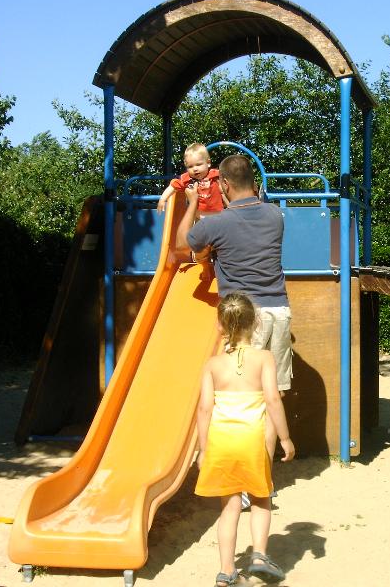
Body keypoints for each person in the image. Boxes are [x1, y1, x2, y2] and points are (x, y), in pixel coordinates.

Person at [176, 154, 293, 463]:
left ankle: (244, 470)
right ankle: (263, 471)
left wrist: (192, 203)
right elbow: (252, 219)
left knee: (244, 397)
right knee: (273, 394)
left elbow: (182, 244)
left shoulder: (217, 224)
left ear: (224, 184)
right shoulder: (275, 215)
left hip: (245, 317)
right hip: (279, 310)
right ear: (253, 183)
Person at [194, 292, 295, 587]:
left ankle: (226, 571)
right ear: (257, 323)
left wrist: (203, 449)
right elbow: (273, 399)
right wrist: (285, 438)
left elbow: (204, 409)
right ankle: (259, 556)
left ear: (220, 326)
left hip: (221, 442)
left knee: (229, 506)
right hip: (253, 440)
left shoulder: (212, 365)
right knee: (261, 498)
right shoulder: (264, 358)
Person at [156, 142, 227, 215]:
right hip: (199, 215)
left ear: (208, 163)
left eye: (198, 164)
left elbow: (229, 178)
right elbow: (172, 186)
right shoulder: (186, 179)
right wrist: (162, 199)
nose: (195, 169)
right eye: (190, 166)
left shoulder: (214, 174)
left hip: (217, 214)